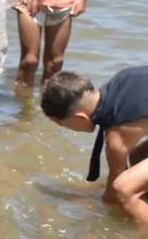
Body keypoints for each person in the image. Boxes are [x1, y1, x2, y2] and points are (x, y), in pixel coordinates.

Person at [42, 69, 148, 228]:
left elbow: (113, 194)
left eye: (64, 124)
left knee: (123, 189)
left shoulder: (116, 136)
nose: (68, 129)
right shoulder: (120, 81)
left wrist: (96, 210)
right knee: (137, 157)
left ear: (80, 117)